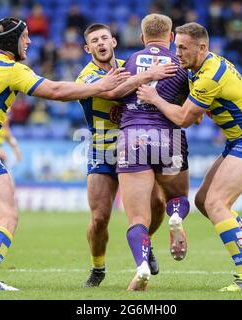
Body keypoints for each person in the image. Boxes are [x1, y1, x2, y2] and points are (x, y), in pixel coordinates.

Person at [0, 17, 130, 291]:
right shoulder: (12, 70)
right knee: (7, 213)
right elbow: (55, 91)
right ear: (13, 41)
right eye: (25, 36)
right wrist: (101, 86)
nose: (29, 42)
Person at [137, 22, 242, 292]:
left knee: (216, 203)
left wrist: (154, 98)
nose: (177, 53)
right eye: (175, 45)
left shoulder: (210, 75)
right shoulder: (200, 68)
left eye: (183, 47)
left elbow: (182, 119)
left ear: (202, 48)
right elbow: (203, 104)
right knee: (203, 201)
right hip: (239, 140)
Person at [76, 23, 179, 287]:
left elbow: (163, 90)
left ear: (114, 42)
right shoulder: (86, 77)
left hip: (136, 144)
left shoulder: (131, 64)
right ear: (88, 49)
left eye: (104, 38)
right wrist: (148, 75)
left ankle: (145, 243)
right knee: (100, 218)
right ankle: (98, 267)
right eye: (94, 41)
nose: (100, 43)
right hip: (104, 148)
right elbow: (109, 92)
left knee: (157, 205)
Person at [117, 14, 192, 291]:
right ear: (171, 37)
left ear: (141, 38)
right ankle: (175, 217)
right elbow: (191, 112)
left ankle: (142, 266)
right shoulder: (180, 66)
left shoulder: (130, 62)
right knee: (177, 197)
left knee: (138, 218)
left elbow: (115, 93)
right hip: (169, 137)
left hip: (132, 136)